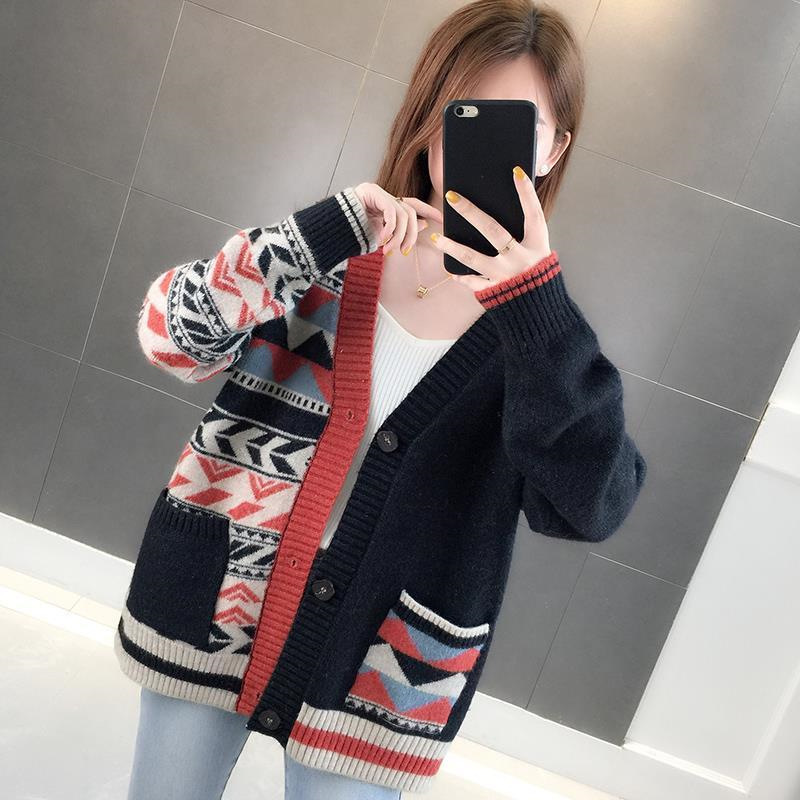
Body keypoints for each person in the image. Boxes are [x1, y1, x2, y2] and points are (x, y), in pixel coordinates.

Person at [122, 2, 642, 797]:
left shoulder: (539, 343)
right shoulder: (327, 260)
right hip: (215, 603)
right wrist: (319, 235)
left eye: (518, 126)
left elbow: (592, 506)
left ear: (554, 148)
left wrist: (537, 310)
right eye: (464, 114)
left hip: (383, 673)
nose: (480, 145)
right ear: (427, 118)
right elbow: (169, 336)